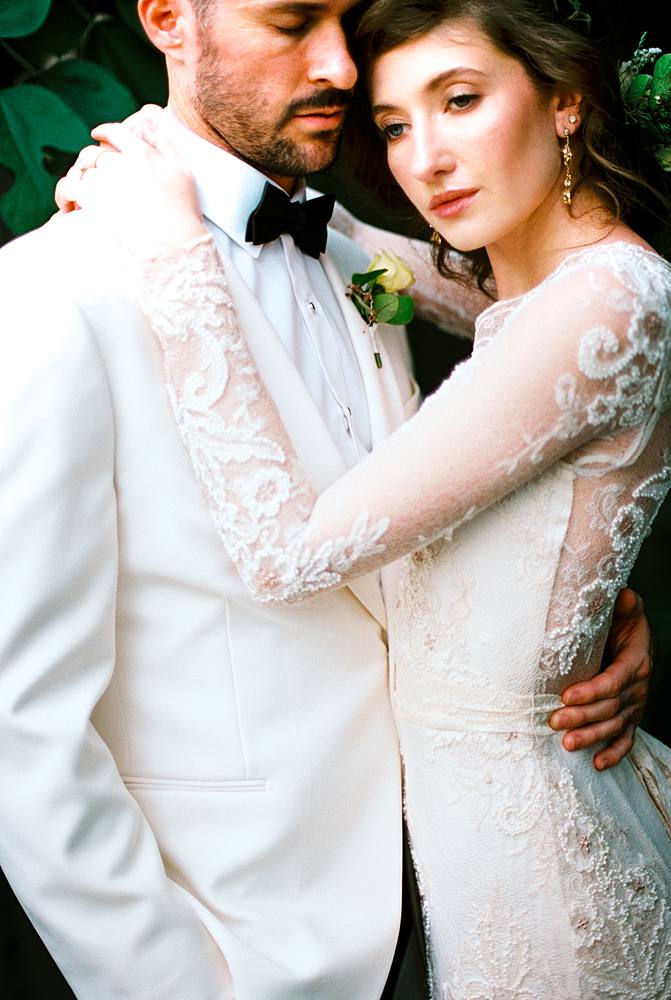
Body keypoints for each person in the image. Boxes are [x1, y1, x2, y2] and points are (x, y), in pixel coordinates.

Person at [0, 0, 655, 998]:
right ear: (169, 18)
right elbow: (21, 724)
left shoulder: (357, 261)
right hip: (258, 943)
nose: (341, 69)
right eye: (291, 22)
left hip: (476, 890)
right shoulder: (59, 289)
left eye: (347, 26)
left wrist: (573, 623)